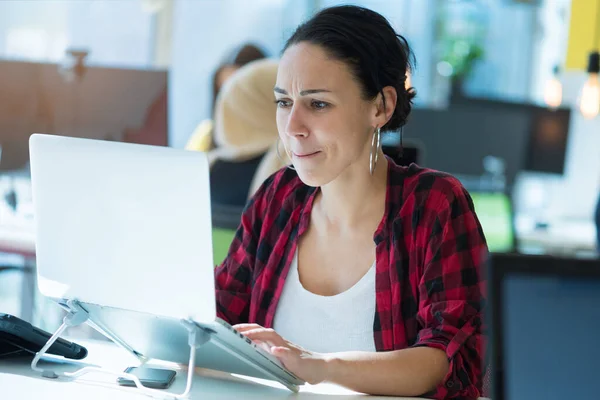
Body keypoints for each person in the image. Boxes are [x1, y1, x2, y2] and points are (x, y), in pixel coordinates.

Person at [214, 5, 487, 399]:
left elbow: (447, 360)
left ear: (381, 107)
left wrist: (318, 366)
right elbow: (218, 315)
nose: (292, 128)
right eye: (283, 102)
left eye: (318, 104)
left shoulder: (435, 206)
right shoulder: (278, 198)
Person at [185, 43, 268, 152]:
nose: (226, 102)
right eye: (221, 92)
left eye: (236, 93)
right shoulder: (206, 135)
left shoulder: (279, 141)